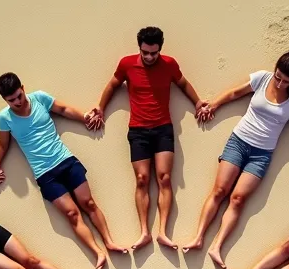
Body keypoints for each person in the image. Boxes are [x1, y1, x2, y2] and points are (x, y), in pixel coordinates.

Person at [181, 48, 289, 269]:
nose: (279, 83)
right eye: (278, 77)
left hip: (261, 154)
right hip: (238, 142)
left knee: (238, 199)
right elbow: (233, 94)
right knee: (220, 191)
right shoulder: (262, 78)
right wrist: (214, 106)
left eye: (285, 81)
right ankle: (199, 238)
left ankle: (216, 247)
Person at [0, 72, 125, 269]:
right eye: (11, 100)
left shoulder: (40, 98)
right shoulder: (5, 118)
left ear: (23, 88)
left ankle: (109, 242)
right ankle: (97, 252)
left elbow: (63, 109)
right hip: (45, 174)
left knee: (88, 203)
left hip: (65, 160)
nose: (17, 102)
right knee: (72, 214)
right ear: (4, 100)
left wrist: (85, 118)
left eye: (19, 96)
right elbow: (3, 143)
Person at [86, 26, 206, 250]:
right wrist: (101, 108)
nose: (150, 57)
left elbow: (183, 84)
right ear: (139, 48)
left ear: (160, 49)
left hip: (163, 128)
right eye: (145, 53)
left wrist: (198, 103)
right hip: (138, 130)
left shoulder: (169, 64)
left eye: (154, 53)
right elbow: (113, 85)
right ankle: (144, 232)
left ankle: (162, 233)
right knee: (142, 179)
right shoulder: (126, 64)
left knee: (165, 178)